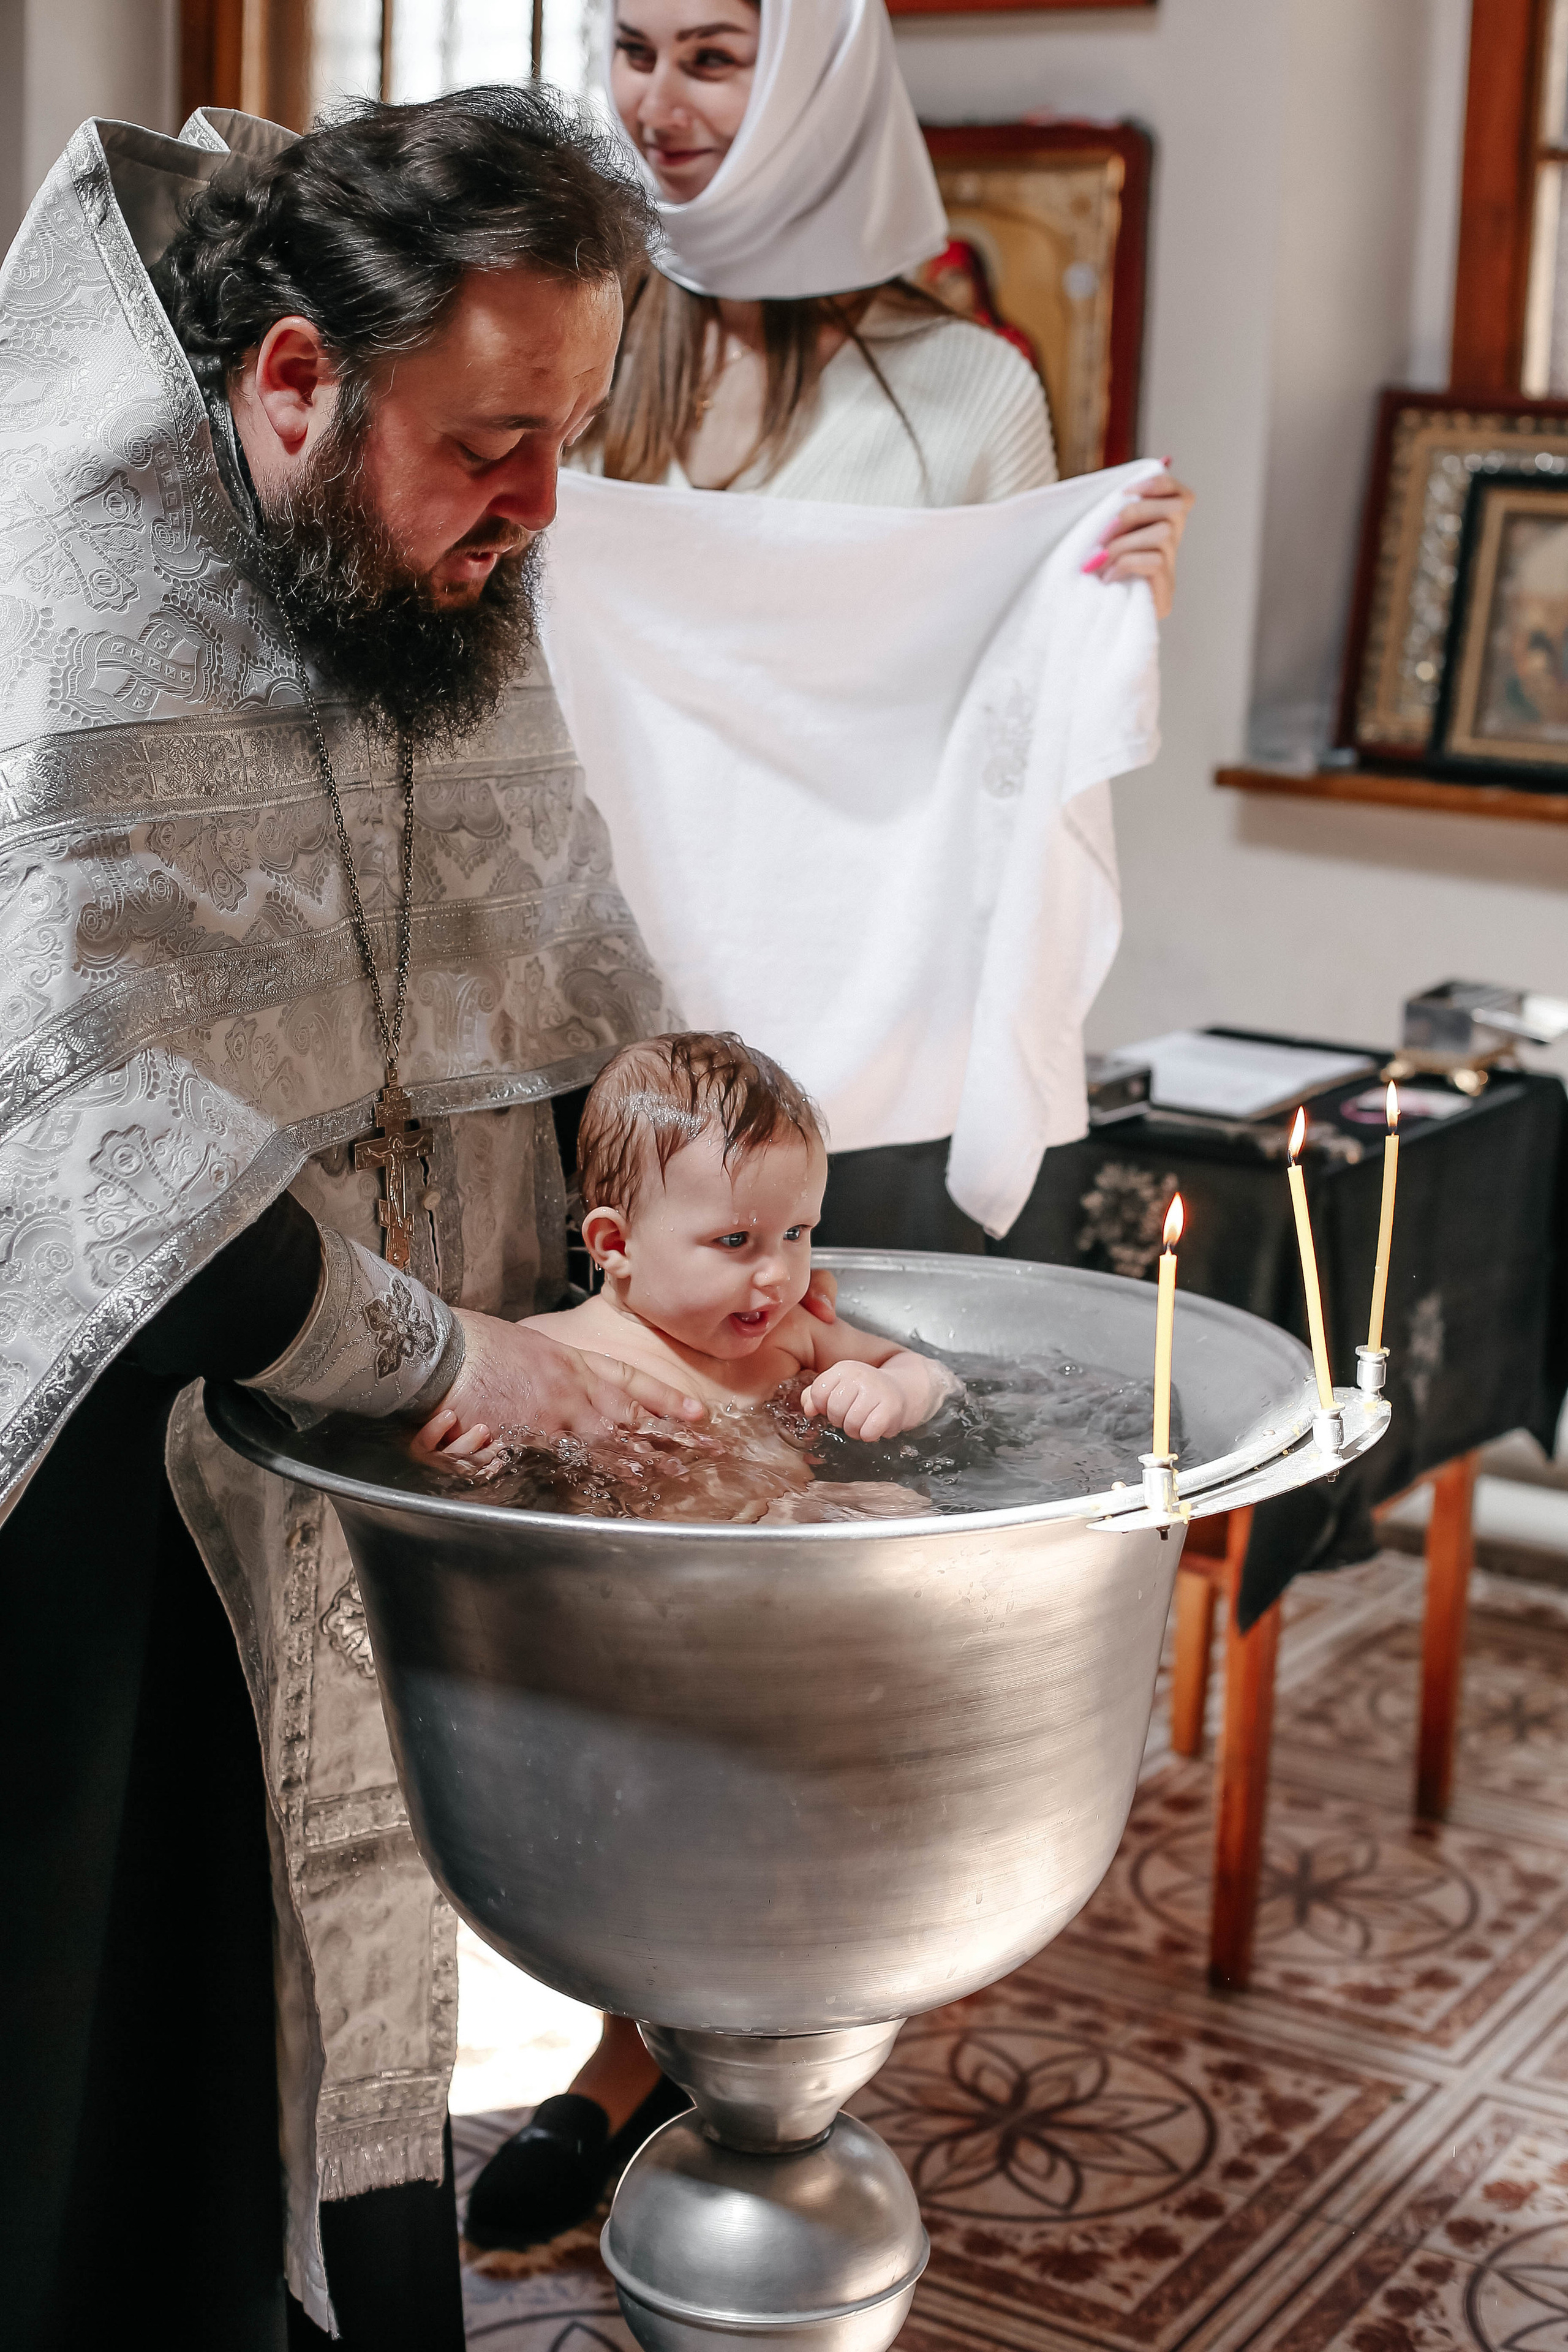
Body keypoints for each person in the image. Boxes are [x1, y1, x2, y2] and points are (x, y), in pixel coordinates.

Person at [466, 0, 1187, 2260]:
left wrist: (1088, 617)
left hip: (838, 1100)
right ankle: (614, 2043)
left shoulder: (963, 395)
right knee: (626, 1571)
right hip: (619, 1081)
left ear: (821, 81)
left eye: (716, 57)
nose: (665, 108)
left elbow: (984, 732)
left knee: (814, 1573)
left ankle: (774, 2034)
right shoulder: (597, 358)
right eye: (634, 51)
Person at [0, 87, 706, 2350]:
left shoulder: (430, 572)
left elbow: (557, 946)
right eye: (498, 436)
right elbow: (86, 1118)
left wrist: (696, 1214)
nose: (543, 504)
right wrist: (441, 1356)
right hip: (120, 1500)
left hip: (381, 1473)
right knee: (125, 2085)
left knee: (362, 2033)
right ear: (293, 380)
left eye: (571, 431)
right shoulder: (60, 585)